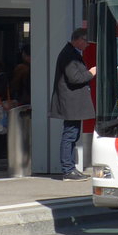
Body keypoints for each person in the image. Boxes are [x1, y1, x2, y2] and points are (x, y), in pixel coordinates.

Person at [50, 28, 96, 179]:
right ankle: (68, 169)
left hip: (72, 102)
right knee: (70, 134)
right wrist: (91, 73)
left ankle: (70, 168)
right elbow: (74, 78)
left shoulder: (71, 52)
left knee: (72, 134)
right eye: (86, 41)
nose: (87, 45)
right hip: (71, 102)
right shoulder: (69, 54)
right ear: (78, 39)